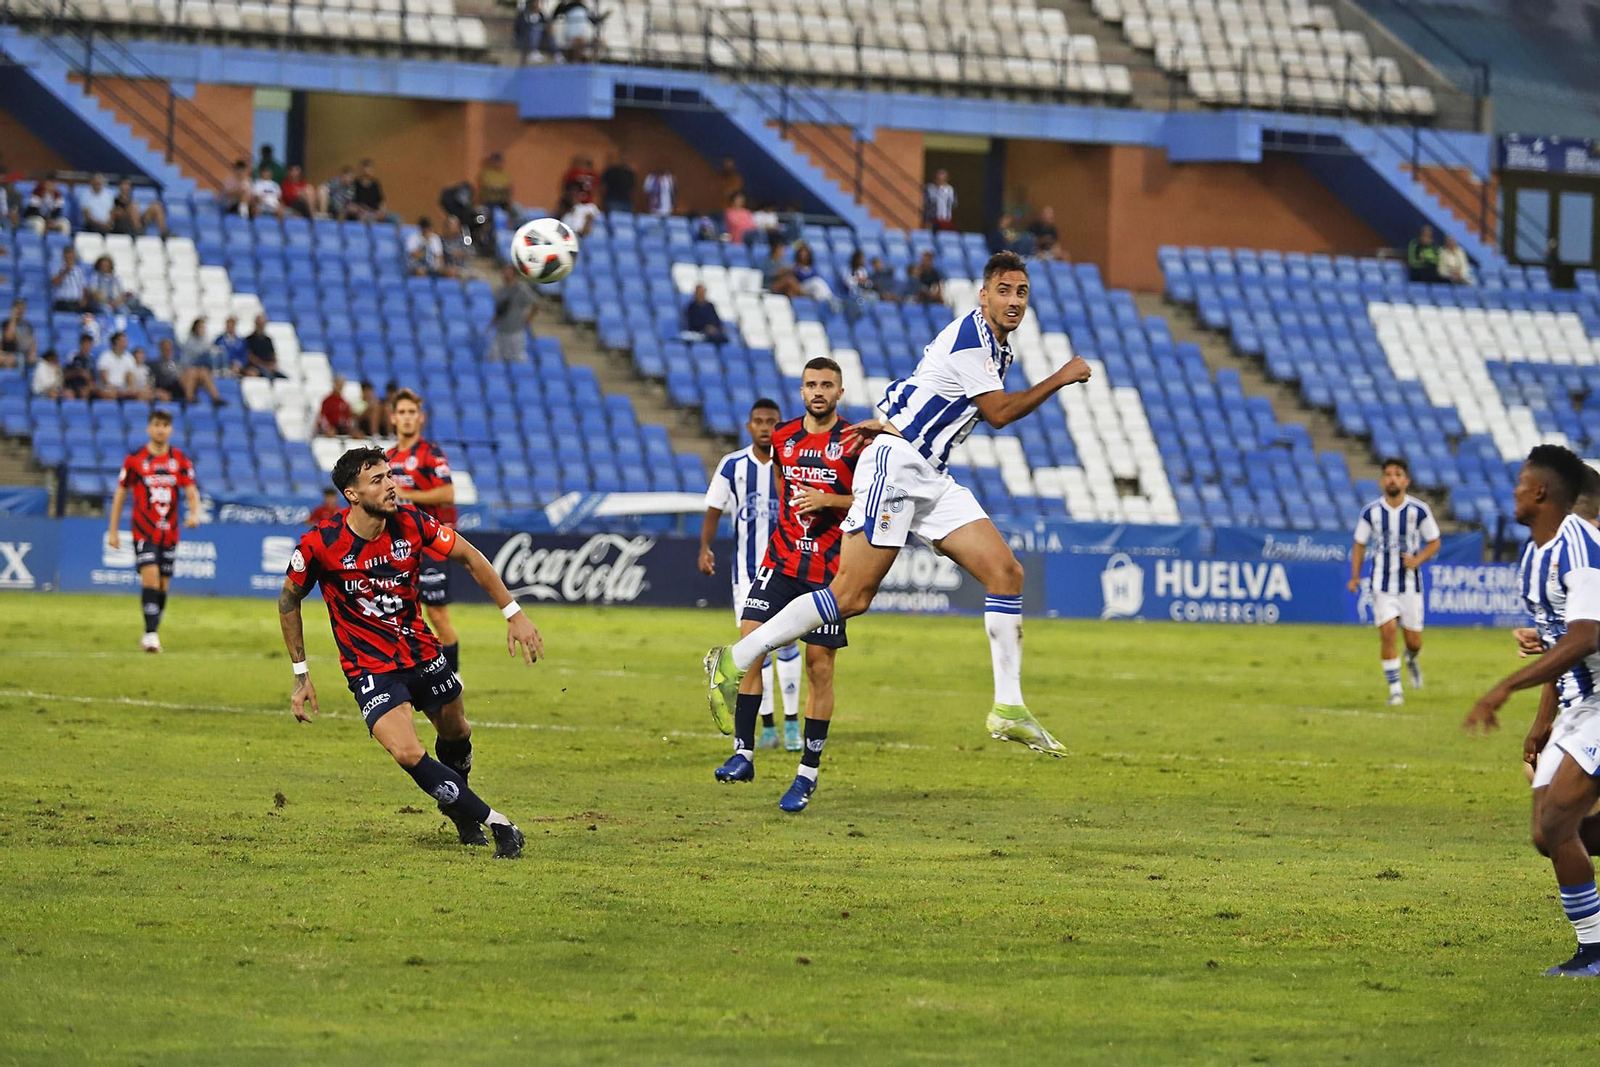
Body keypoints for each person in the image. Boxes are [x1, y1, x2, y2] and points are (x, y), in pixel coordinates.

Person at [704, 252, 1094, 773]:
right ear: (983, 296)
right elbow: (998, 414)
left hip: (928, 472)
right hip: (899, 464)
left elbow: (921, 387)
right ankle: (738, 656)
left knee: (1006, 573)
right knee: (851, 596)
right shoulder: (972, 337)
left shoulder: (995, 348)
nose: (1013, 301)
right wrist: (1063, 375)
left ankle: (1008, 707)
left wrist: (887, 419)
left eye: (1021, 292)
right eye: (1003, 290)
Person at [276, 445, 541, 857]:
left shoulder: (413, 523)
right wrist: (301, 673)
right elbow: (288, 601)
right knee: (406, 751)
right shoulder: (320, 543)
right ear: (352, 494)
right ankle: (497, 823)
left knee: (457, 734)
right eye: (377, 480)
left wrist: (513, 613)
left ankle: (459, 808)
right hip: (370, 668)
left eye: (389, 475)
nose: (390, 485)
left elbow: (469, 557)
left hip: (421, 652)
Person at [1463, 445, 1600, 976]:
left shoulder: (1582, 549)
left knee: (1559, 819)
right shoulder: (1532, 554)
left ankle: (1593, 951)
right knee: (1547, 836)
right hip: (1576, 704)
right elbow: (1557, 642)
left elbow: (1584, 639)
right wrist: (1542, 721)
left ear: (1540, 492)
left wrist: (1502, 690)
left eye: (1521, 484)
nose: (1514, 492)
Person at [706, 360, 858, 810]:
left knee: (819, 670)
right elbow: (781, 484)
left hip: (829, 570)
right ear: (801, 389)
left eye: (826, 385)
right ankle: (743, 752)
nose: (818, 391)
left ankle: (806, 774)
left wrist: (829, 499)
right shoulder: (786, 438)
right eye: (811, 384)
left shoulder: (854, 442)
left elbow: (874, 497)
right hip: (782, 561)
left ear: (840, 392)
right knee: (750, 645)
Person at [699, 398, 804, 753]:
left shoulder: (792, 463)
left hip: (788, 570)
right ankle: (769, 725)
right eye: (758, 421)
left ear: (780, 425)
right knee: (755, 650)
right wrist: (705, 548)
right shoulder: (732, 466)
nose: (764, 427)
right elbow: (713, 510)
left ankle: (792, 724)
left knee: (789, 644)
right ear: (749, 427)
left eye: (771, 421)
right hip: (746, 576)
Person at [1347, 457, 1441, 706]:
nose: (1392, 478)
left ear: (1406, 480)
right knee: (1388, 632)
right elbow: (1359, 544)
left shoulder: (1419, 510)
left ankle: (1411, 659)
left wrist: (1418, 559)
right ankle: (1396, 690)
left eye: (1398, 474)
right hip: (1381, 584)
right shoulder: (1371, 512)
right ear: (1381, 481)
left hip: (1410, 585)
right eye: (1388, 474)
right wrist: (1355, 577)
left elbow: (1434, 541)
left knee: (1414, 641)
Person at [107, 409, 200, 654]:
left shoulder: (179, 459)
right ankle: (151, 634)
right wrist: (113, 530)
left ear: (171, 430)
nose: (160, 429)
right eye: (156, 424)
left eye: (165, 425)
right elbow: (120, 494)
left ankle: (152, 630)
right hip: (143, 531)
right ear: (149, 428)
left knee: (163, 585)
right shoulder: (135, 459)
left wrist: (194, 513)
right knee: (150, 577)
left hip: (170, 532)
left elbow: (191, 491)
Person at [386, 390, 463, 678]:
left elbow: (448, 492)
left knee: (437, 614)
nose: (407, 418)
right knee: (400, 614)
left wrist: (407, 493)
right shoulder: (388, 458)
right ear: (393, 417)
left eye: (411, 413)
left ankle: (453, 676)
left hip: (430, 545)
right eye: (401, 412)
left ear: (421, 418)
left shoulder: (430, 454)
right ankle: (408, 672)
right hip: (398, 548)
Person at [490, 263, 537, 362]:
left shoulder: (521, 289)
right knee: (495, 357)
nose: (505, 274)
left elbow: (535, 304)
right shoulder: (501, 290)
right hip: (502, 329)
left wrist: (529, 318)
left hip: (516, 329)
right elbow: (499, 309)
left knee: (517, 357)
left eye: (508, 272)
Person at [98, 332, 146, 400]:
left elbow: (130, 376)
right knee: (109, 395)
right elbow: (103, 376)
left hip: (123, 387)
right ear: (116, 342)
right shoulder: (105, 356)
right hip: (108, 387)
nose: (126, 343)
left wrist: (132, 388)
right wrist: (110, 387)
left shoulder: (129, 358)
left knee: (142, 394)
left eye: (126, 340)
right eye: (123, 340)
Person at [52, 246, 93, 313]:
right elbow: (55, 283)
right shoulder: (57, 268)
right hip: (63, 302)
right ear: (63, 257)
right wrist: (65, 271)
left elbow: (83, 287)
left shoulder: (79, 270)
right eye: (67, 257)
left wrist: (84, 299)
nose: (69, 259)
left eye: (71, 257)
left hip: (76, 303)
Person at [245, 314, 285, 379]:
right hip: (256, 367)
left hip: (268, 367)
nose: (261, 326)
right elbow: (250, 356)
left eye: (262, 324)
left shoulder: (268, 340)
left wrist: (272, 365)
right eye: (259, 324)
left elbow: (273, 355)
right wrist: (264, 365)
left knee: (284, 379)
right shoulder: (249, 339)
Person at [61, 334, 99, 399]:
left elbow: (92, 378)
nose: (87, 347)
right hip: (72, 386)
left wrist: (91, 382)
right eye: (85, 344)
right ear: (81, 344)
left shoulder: (91, 360)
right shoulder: (73, 356)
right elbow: (65, 375)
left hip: (86, 387)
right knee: (82, 392)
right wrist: (79, 373)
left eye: (89, 344)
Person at [2, 298, 37, 366]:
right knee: (11, 360)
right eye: (17, 307)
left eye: (22, 307)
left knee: (41, 362)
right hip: (12, 353)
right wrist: (13, 318)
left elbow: (33, 342)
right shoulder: (6, 323)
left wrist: (33, 352)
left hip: (26, 354)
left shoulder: (27, 325)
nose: (20, 310)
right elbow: (9, 338)